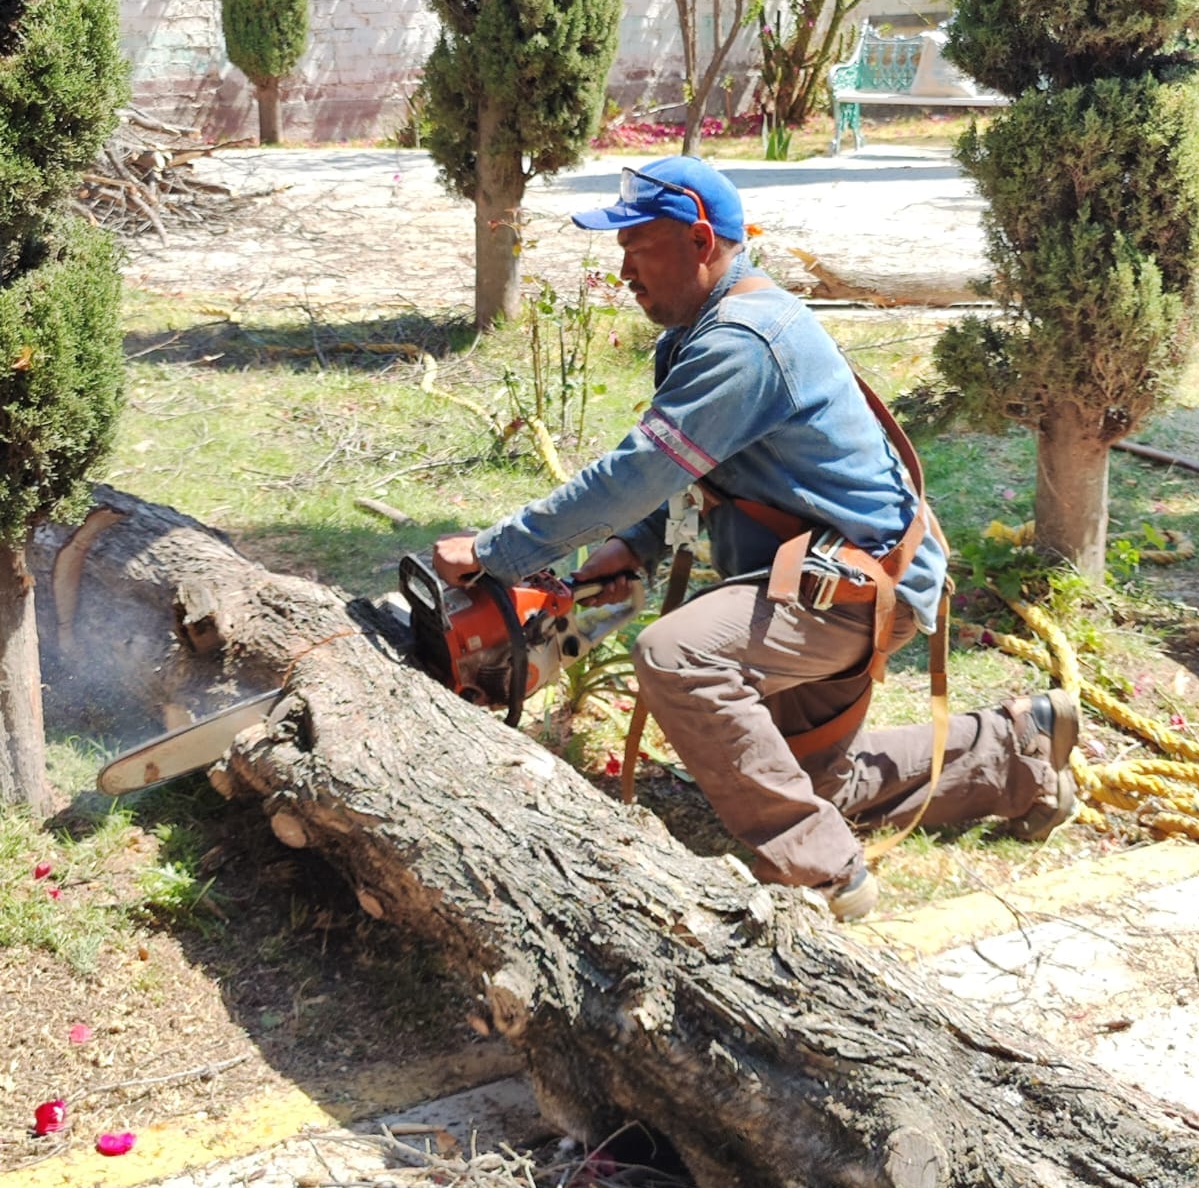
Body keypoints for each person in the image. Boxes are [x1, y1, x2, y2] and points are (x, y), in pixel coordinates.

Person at [433, 157, 1078, 920]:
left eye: (637, 246)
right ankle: (1015, 751)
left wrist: (499, 552)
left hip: (856, 584)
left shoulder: (743, 341)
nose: (623, 267)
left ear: (700, 240)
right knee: (815, 784)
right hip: (828, 575)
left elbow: (637, 472)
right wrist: (633, 548)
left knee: (678, 654)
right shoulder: (704, 330)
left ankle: (824, 876)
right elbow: (688, 470)